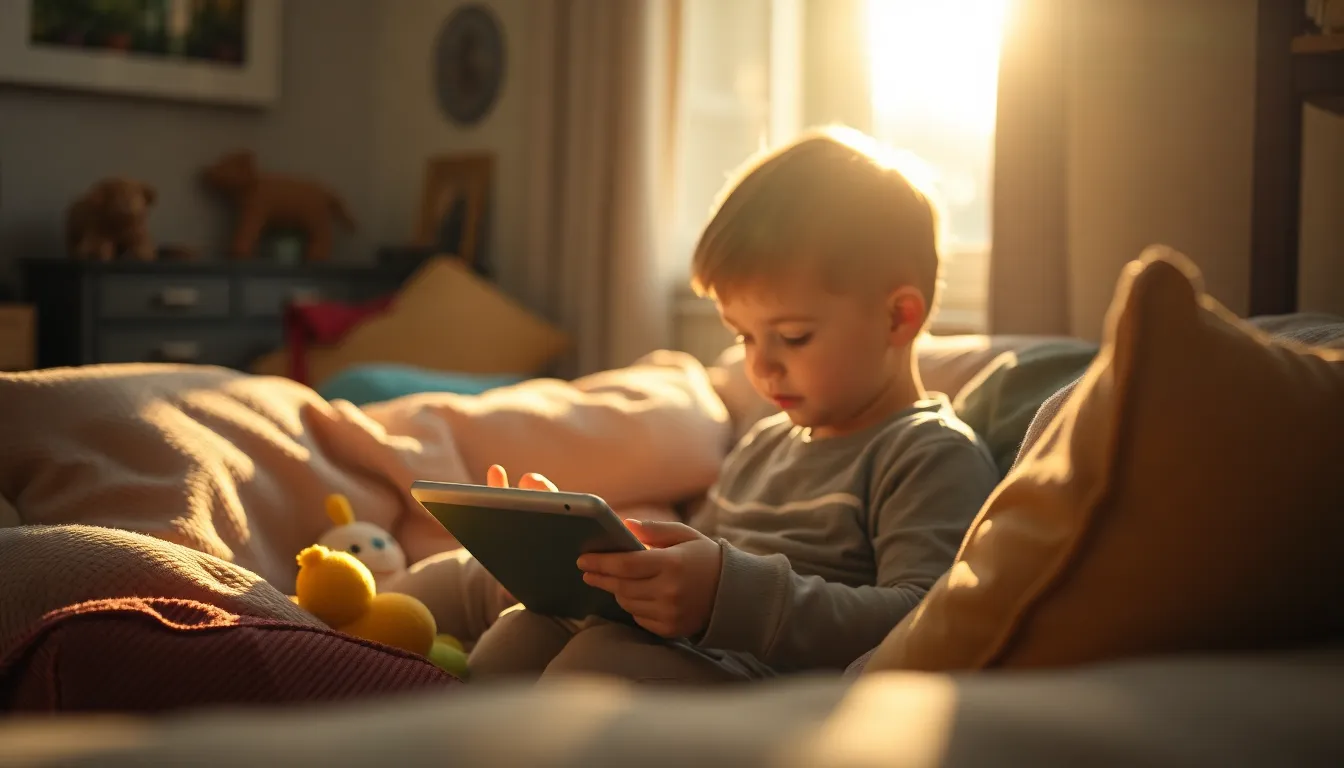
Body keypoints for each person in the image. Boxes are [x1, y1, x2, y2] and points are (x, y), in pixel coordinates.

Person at [464, 126, 1001, 683]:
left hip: (773, 691)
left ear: (898, 317)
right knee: (520, 634)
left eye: (792, 337)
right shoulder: (763, 443)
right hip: (692, 656)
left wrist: (733, 597)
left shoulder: (929, 454)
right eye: (744, 336)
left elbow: (926, 618)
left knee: (599, 663)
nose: (760, 365)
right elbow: (695, 559)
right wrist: (579, 564)